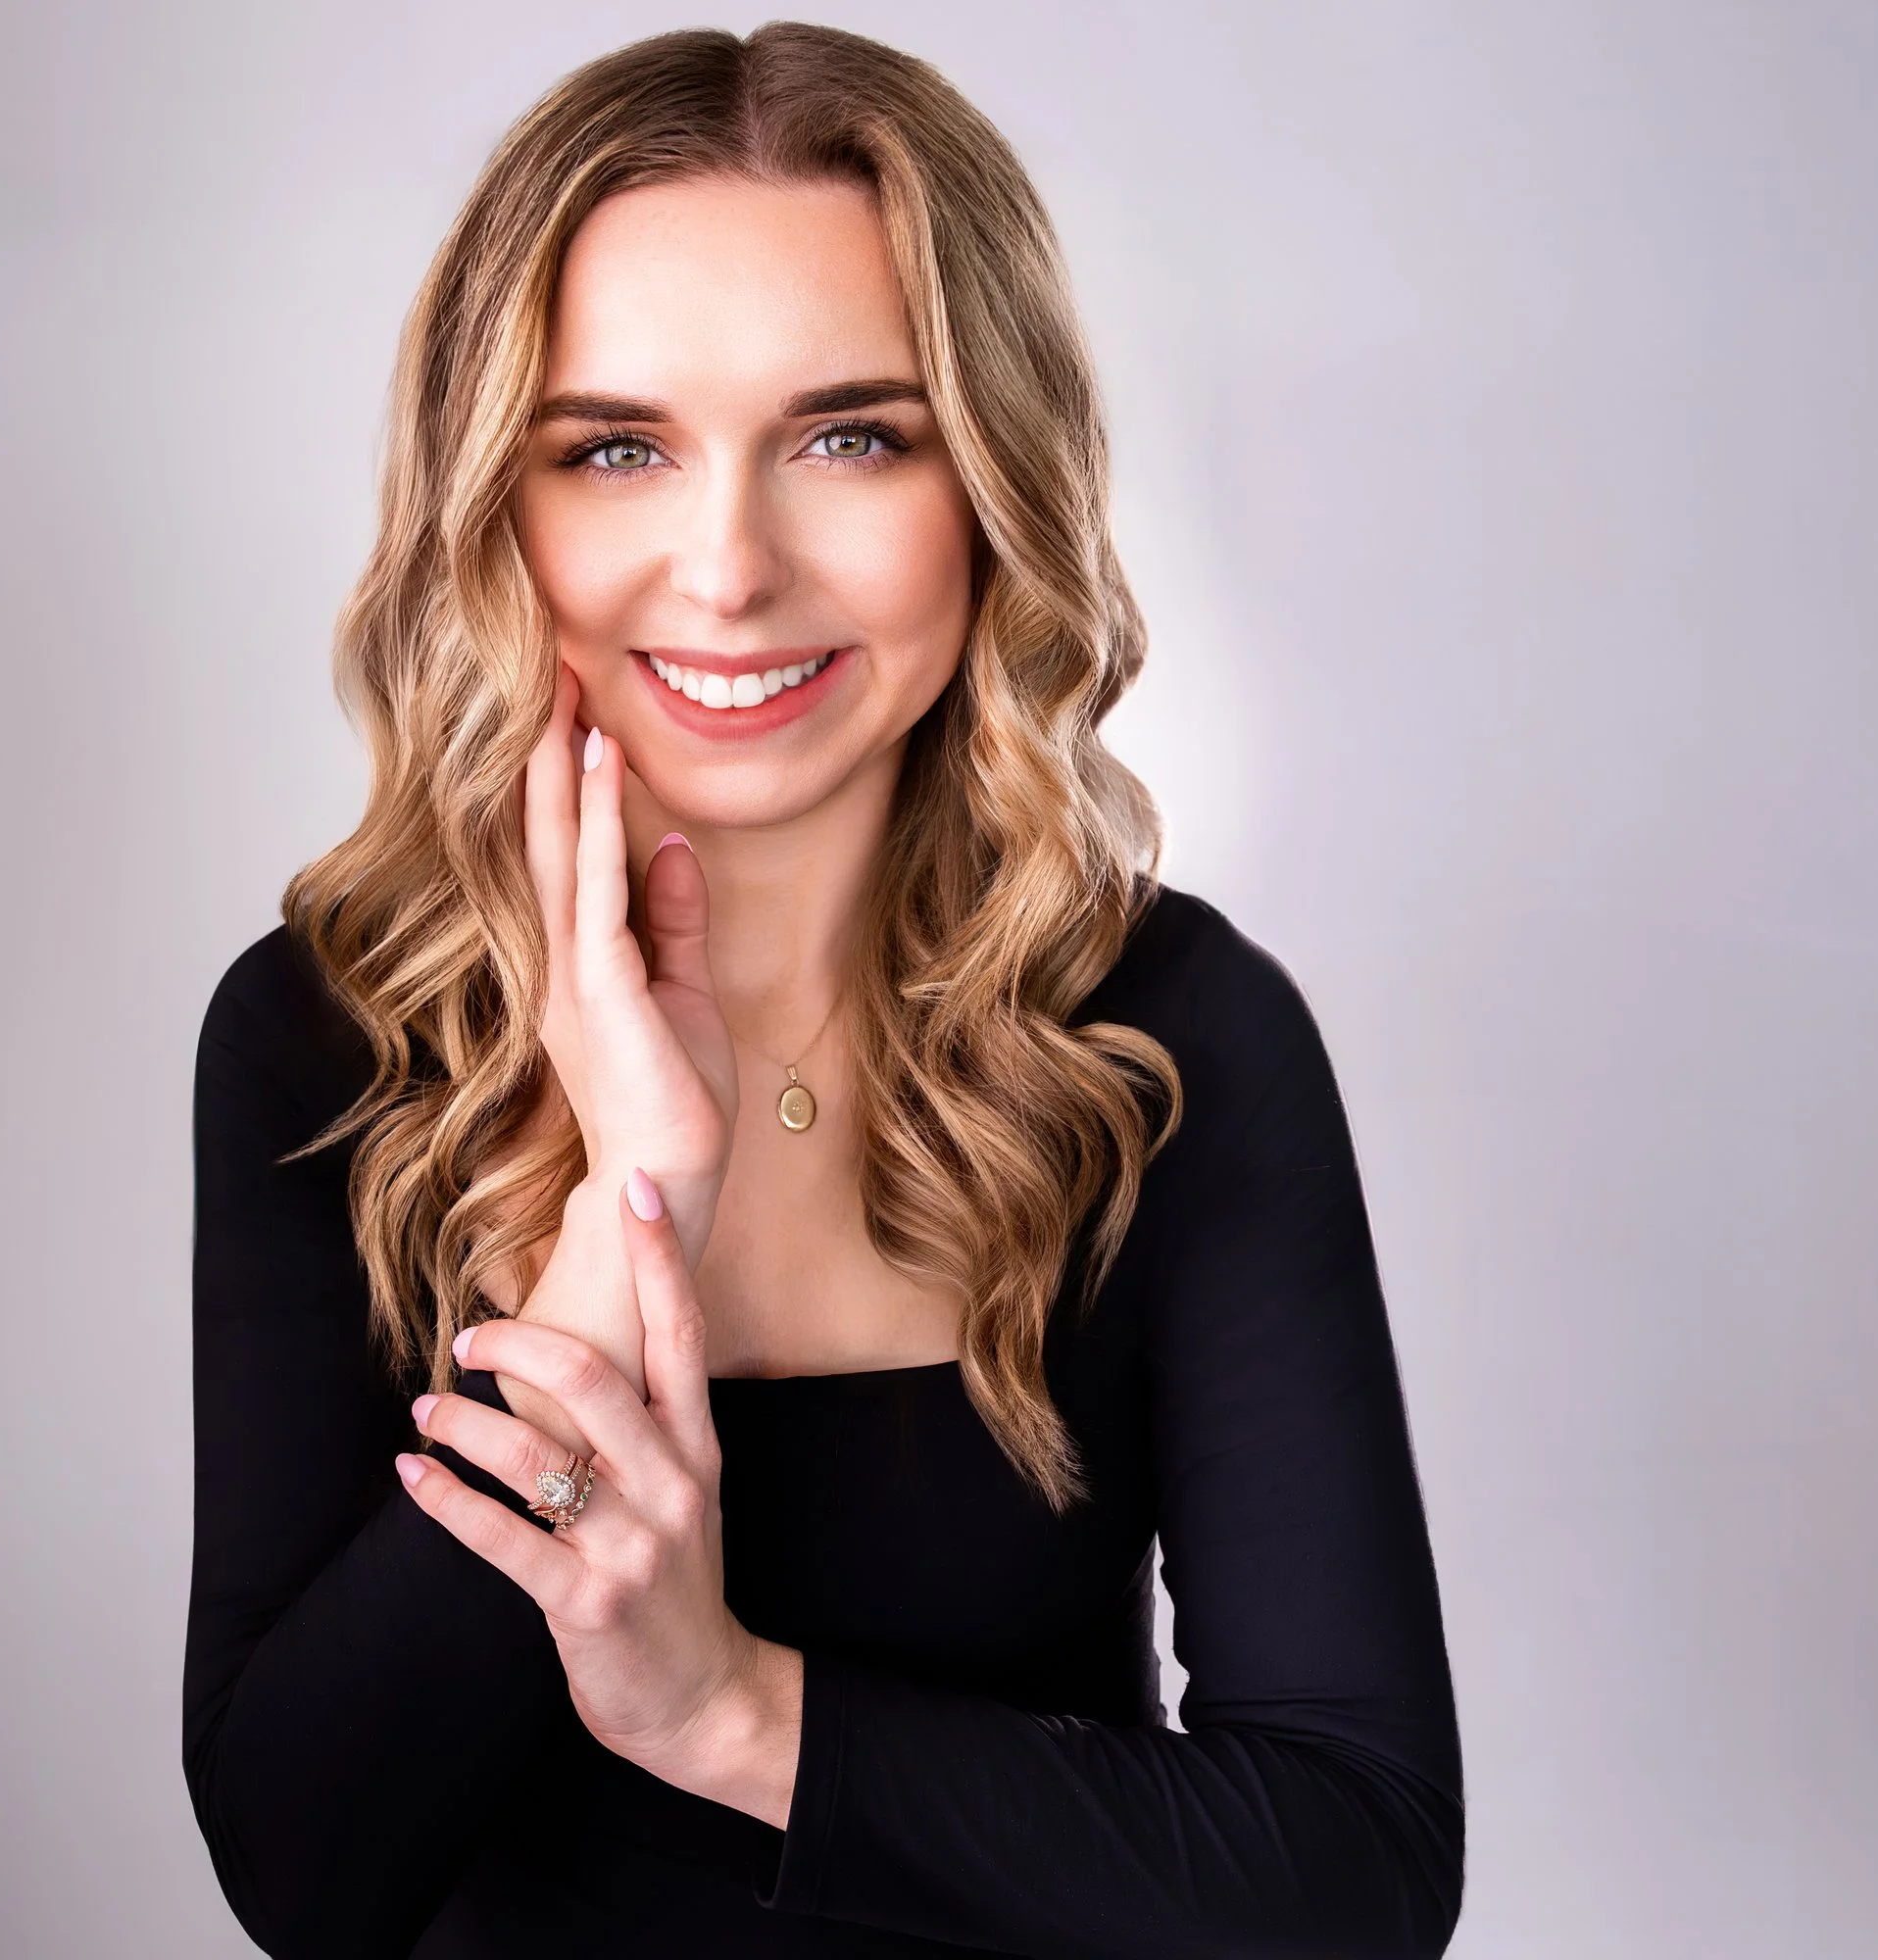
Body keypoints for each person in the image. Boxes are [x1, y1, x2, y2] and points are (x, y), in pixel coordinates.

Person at [182, 23, 1462, 1957]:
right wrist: (634, 1217)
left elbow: (1347, 1870)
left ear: (992, 488)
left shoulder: (1175, 1040)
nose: (727, 566)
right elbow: (307, 1869)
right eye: (614, 447)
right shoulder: (326, 1038)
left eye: (848, 436)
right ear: (497, 511)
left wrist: (728, 1713)